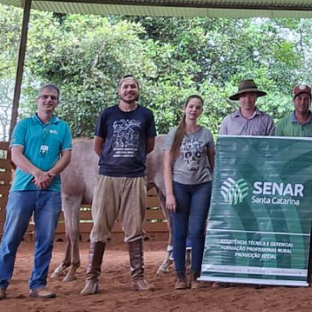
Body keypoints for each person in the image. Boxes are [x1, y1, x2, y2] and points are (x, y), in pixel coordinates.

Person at [0, 84, 73, 301]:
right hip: (23, 189)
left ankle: (38, 284)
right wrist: (37, 173)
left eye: (53, 97)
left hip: (51, 191)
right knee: (11, 237)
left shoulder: (62, 127)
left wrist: (50, 174)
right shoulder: (24, 125)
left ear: (57, 102)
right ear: (37, 100)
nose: (48, 100)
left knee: (45, 239)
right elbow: (16, 155)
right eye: (44, 97)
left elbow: (66, 156)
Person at [81, 75, 157, 295]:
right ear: (119, 90)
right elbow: (98, 145)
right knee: (100, 227)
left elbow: (149, 145)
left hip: (134, 177)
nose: (129, 89)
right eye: (125, 86)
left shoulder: (146, 115)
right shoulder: (107, 114)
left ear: (138, 90)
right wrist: (112, 160)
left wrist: (132, 160)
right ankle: (92, 279)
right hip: (108, 176)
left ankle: (138, 278)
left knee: (134, 229)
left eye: (133, 86)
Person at [274, 84, 312, 286]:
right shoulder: (281, 125)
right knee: (285, 224)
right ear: (293, 100)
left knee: (310, 227)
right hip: (287, 185)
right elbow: (275, 153)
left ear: (310, 101)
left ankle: (308, 270)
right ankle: (286, 268)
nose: (302, 102)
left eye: (306, 98)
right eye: (299, 98)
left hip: (310, 183)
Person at [162, 95, 215, 290]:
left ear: (201, 111)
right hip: (179, 185)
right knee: (179, 230)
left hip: (202, 185)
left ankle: (196, 274)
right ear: (184, 108)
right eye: (191, 106)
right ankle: (180, 276)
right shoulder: (174, 134)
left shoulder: (206, 134)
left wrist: (214, 185)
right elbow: (167, 166)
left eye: (198, 107)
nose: (194, 110)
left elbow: (212, 163)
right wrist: (169, 193)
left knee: (197, 230)